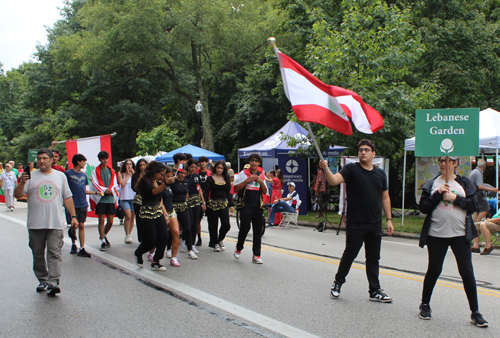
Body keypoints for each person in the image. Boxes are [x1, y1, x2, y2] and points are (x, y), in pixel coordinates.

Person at [320, 139, 394, 302]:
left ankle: (374, 290)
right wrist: (325, 169)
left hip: (375, 222)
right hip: (356, 222)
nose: (363, 152)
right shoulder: (351, 169)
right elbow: (333, 180)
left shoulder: (380, 173)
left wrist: (388, 219)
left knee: (374, 258)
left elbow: (385, 197)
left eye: (367, 150)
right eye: (360, 150)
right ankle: (338, 282)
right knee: (350, 254)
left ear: (373, 154)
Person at [418, 156, 488, 327]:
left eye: (449, 160)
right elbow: (424, 207)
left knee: (467, 272)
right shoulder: (432, 183)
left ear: (455, 164)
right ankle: (425, 304)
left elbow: (473, 206)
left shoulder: (464, 183)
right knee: (434, 269)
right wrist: (438, 194)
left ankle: (475, 312)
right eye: (441, 160)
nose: (444, 163)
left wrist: (455, 198)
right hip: (436, 235)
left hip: (459, 235)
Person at [15, 148, 79, 295]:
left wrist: (73, 216)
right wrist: (22, 182)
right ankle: (43, 280)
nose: (42, 161)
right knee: (38, 254)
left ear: (52, 160)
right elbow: (18, 195)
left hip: (55, 223)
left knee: (54, 253)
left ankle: (54, 281)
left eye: (45, 158)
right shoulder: (30, 176)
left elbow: (67, 197)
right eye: (39, 158)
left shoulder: (60, 176)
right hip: (35, 223)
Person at [134, 161, 171, 271]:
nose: (162, 176)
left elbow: (160, 199)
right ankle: (139, 252)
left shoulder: (157, 181)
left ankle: (156, 261)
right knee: (151, 240)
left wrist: (165, 213)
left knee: (164, 236)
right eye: (161, 173)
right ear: (154, 172)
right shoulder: (145, 181)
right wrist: (165, 184)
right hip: (147, 212)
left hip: (158, 211)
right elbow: (153, 192)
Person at [233, 153, 268, 264]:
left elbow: (265, 191)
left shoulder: (261, 174)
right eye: (251, 160)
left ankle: (256, 255)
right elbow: (236, 188)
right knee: (245, 228)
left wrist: (261, 182)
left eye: (256, 161)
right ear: (249, 162)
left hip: (257, 206)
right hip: (245, 205)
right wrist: (247, 180)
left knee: (258, 231)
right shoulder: (243, 174)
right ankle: (238, 248)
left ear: (259, 163)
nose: (253, 163)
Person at [64, 154, 96, 258]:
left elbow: (84, 190)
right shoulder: (67, 174)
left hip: (83, 204)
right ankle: (74, 244)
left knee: (81, 225)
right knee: (74, 225)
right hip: (73, 204)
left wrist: (96, 193)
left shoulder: (84, 175)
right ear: (78, 161)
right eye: (84, 161)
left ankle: (82, 248)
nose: (85, 163)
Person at [89, 151, 119, 251]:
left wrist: (110, 190)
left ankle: (104, 234)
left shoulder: (112, 171)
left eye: (106, 158)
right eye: (102, 159)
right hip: (101, 197)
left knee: (110, 221)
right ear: (100, 160)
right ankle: (102, 241)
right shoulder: (95, 171)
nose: (105, 160)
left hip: (110, 197)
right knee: (101, 220)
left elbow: (114, 184)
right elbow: (95, 184)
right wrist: (104, 190)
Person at [468, 159, 499, 252]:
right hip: (478, 194)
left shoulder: (473, 172)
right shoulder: (478, 173)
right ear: (484, 166)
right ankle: (477, 224)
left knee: (476, 211)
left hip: (473, 195)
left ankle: (476, 244)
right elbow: (480, 186)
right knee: (486, 209)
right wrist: (493, 190)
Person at [171, 163, 198, 259]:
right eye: (181, 173)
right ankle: (169, 249)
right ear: (178, 172)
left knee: (188, 228)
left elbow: (186, 193)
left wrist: (187, 203)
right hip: (173, 207)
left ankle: (190, 249)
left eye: (185, 173)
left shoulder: (187, 182)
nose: (182, 175)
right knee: (174, 230)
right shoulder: (173, 181)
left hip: (183, 206)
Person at [204, 160, 232, 251]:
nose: (219, 170)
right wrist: (204, 203)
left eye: (221, 168)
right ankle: (215, 242)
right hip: (212, 203)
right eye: (218, 168)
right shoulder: (210, 178)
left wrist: (231, 204)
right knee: (213, 224)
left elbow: (229, 192)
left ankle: (220, 239)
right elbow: (206, 192)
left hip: (223, 203)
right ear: (215, 168)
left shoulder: (226, 178)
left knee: (226, 224)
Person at [161, 166, 181, 266]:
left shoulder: (170, 186)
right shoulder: (159, 186)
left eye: (171, 176)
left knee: (176, 232)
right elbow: (160, 202)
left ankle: (174, 257)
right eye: (167, 176)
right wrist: (165, 214)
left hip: (171, 210)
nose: (170, 178)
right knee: (161, 236)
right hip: (161, 212)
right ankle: (152, 253)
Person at [185, 158, 206, 253]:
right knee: (188, 223)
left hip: (197, 200)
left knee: (195, 222)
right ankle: (185, 239)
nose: (193, 169)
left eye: (194, 167)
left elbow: (199, 189)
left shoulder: (197, 176)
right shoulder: (185, 176)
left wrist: (203, 202)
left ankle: (192, 244)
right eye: (191, 167)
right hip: (188, 200)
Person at [117, 159, 136, 244]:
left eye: (130, 164)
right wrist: (128, 175)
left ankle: (129, 234)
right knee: (127, 216)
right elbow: (122, 184)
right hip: (124, 198)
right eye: (127, 164)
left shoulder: (134, 175)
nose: (129, 166)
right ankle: (127, 234)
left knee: (132, 217)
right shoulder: (120, 174)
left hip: (133, 198)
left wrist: (134, 174)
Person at [195, 156, 211, 246]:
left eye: (204, 162)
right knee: (198, 219)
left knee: (211, 219)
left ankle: (213, 237)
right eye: (200, 162)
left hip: (208, 197)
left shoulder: (210, 173)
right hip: (199, 197)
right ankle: (199, 237)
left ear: (207, 162)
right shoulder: (196, 173)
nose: (202, 163)